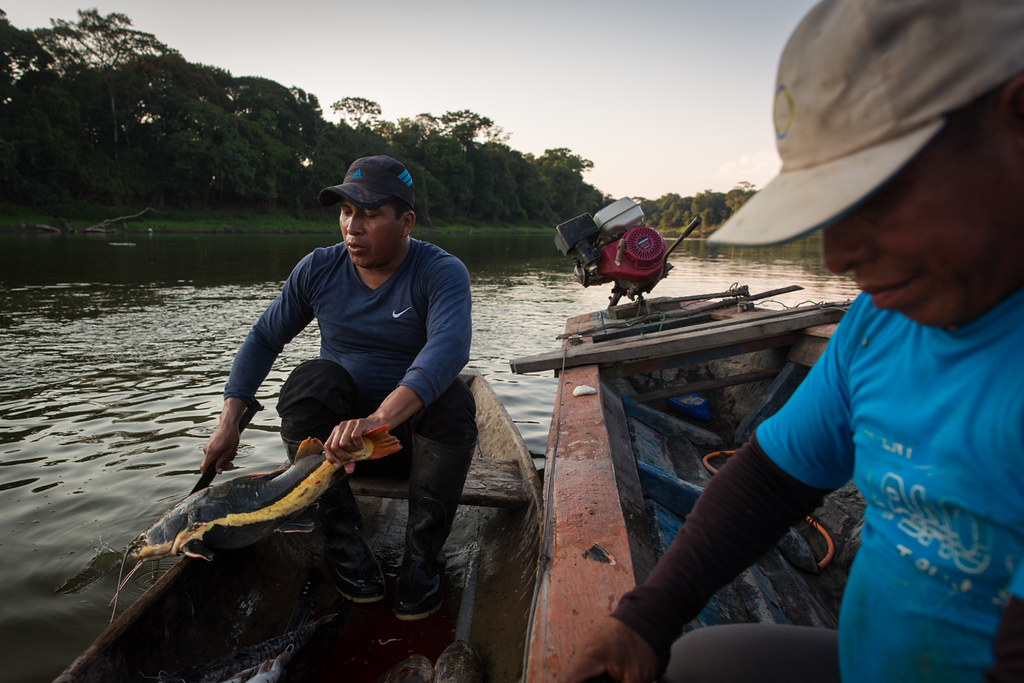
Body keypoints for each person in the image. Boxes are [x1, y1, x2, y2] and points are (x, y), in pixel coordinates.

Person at [564, 0, 1024, 681]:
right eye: (829, 209)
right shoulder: (879, 324)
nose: (838, 254)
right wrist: (646, 615)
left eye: (875, 193)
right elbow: (773, 480)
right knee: (695, 661)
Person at [200, 154, 477, 621]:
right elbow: (264, 338)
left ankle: (422, 556)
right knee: (311, 381)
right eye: (346, 211)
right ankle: (344, 545)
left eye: (369, 214)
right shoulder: (319, 269)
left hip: (412, 448)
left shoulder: (440, 271)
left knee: (451, 397)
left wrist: (376, 421)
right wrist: (229, 421)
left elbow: (448, 350)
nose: (353, 226)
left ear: (406, 221)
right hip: (339, 452)